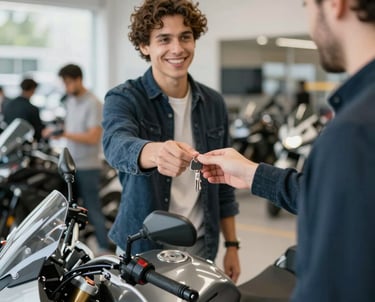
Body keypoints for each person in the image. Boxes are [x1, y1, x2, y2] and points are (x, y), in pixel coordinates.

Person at [197, 0, 375, 300]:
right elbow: (326, 197)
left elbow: (333, 287)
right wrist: (253, 174)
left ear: (335, 4)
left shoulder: (353, 132)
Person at [102, 0, 240, 282]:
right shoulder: (125, 98)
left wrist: (232, 245)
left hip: (201, 245)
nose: (177, 49)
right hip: (142, 247)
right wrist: (154, 152)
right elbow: (116, 144)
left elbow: (223, 185)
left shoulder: (213, 103)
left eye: (185, 37)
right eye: (164, 39)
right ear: (145, 46)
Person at [54, 64, 110, 254]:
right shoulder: (71, 101)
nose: (66, 87)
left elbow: (93, 137)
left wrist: (65, 134)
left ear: (78, 79)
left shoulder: (93, 103)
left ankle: (104, 248)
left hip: (87, 165)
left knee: (92, 208)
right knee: (68, 208)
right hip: (70, 164)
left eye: (68, 82)